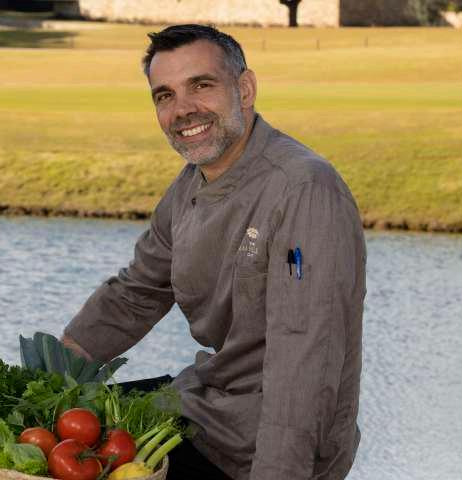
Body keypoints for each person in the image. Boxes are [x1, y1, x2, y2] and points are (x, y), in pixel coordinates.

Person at [62, 24, 366, 480]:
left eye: (201, 85)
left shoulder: (304, 188)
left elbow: (304, 362)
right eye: (165, 96)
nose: (183, 109)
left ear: (244, 89)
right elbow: (136, 292)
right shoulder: (192, 182)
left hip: (265, 446)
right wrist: (46, 375)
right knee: (58, 427)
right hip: (207, 407)